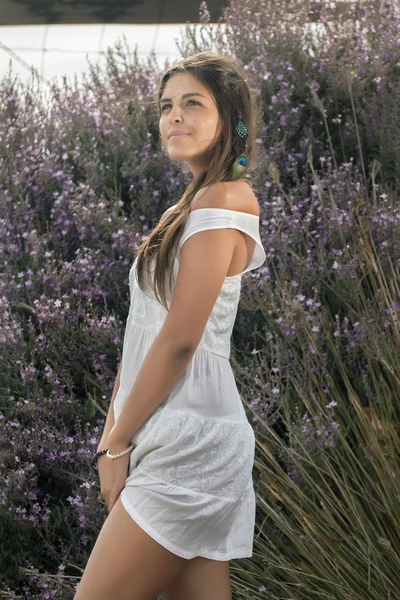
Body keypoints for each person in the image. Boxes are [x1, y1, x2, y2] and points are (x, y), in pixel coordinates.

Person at [74, 51, 266, 600]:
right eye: (165, 106)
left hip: (189, 444)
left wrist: (114, 445)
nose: (173, 117)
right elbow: (144, 334)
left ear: (229, 119)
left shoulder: (224, 201)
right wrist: (115, 432)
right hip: (171, 433)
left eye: (191, 104)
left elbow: (182, 341)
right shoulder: (188, 207)